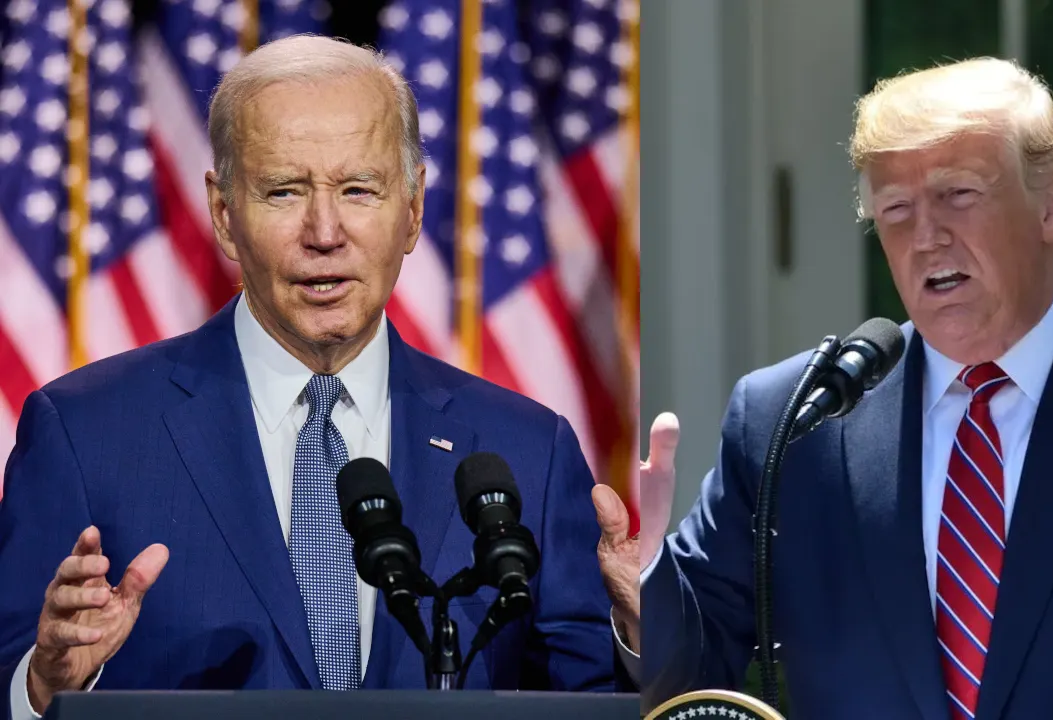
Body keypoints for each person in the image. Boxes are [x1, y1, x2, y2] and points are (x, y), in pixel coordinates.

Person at [0, 35, 640, 719]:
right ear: (224, 214)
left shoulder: (526, 451)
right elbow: (12, 672)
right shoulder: (86, 434)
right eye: (284, 191)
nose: (325, 231)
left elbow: (588, 701)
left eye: (359, 189)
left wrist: (637, 636)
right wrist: (42, 685)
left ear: (414, 207)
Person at [632, 57, 1053, 719]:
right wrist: (644, 574)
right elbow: (690, 682)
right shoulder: (793, 421)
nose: (926, 237)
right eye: (896, 210)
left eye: (958, 195)